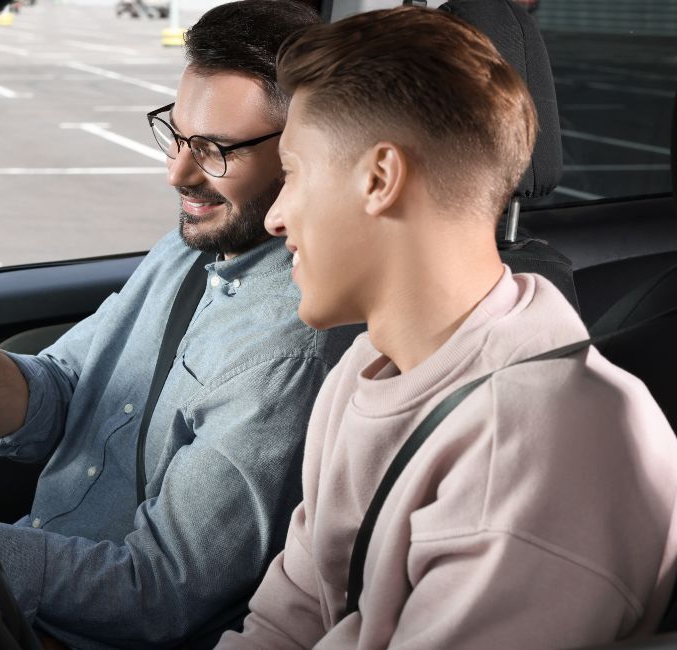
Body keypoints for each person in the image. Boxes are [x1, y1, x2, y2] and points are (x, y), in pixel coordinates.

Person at [0, 2, 360, 647]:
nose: (176, 172)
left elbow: (160, 593)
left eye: (214, 151)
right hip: (31, 597)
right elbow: (64, 398)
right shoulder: (188, 249)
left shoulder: (286, 347)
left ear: (301, 152)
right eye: (176, 135)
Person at [217, 7, 677, 649]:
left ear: (380, 178)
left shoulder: (532, 463)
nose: (276, 218)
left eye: (292, 174)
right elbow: (289, 615)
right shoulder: (364, 366)